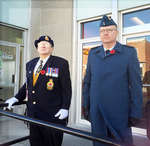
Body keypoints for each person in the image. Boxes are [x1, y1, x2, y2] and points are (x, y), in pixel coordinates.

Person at [82, 15, 143, 146]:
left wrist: (136, 112)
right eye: (103, 31)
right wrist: (86, 106)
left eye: (110, 30)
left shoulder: (129, 53)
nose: (106, 33)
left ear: (116, 32)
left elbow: (136, 85)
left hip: (120, 114)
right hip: (97, 113)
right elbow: (87, 82)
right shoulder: (93, 53)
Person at [5, 35, 72, 146]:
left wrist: (65, 107)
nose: (43, 45)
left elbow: (66, 88)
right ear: (37, 48)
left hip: (53, 116)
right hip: (34, 114)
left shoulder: (61, 63)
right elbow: (28, 85)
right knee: (36, 143)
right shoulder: (30, 64)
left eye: (47, 44)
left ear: (52, 48)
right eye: (40, 44)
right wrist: (16, 98)